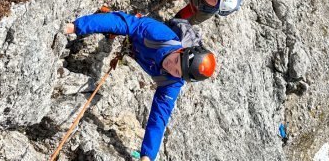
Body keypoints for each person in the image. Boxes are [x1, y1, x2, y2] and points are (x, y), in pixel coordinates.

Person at [65, 11, 216, 161]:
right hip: (134, 37)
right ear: (181, 50)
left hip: (135, 51)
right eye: (176, 61)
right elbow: (123, 23)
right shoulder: (159, 35)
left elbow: (159, 117)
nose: (171, 67)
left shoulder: (173, 82)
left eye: (177, 71)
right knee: (114, 23)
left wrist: (147, 156)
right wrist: (75, 27)